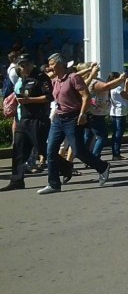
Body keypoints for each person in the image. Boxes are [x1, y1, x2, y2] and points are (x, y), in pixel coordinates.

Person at [38, 53, 111, 195]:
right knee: (50, 150)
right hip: (59, 119)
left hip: (73, 118)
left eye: (52, 64)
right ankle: (53, 184)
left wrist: (82, 114)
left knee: (78, 151)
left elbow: (86, 96)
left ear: (60, 64)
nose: (50, 67)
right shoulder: (55, 80)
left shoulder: (73, 78)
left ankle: (103, 167)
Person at [1, 55, 53, 191]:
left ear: (32, 64)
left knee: (43, 149)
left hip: (37, 119)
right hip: (23, 119)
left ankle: (65, 168)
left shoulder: (41, 77)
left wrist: (29, 100)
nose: (23, 67)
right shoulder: (23, 78)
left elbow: (48, 97)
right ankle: (17, 180)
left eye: (25, 64)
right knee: (18, 151)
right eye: (21, 65)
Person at [108, 71, 128, 160]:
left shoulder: (110, 88)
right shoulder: (118, 88)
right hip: (120, 112)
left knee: (116, 133)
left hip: (113, 112)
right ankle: (116, 153)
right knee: (118, 133)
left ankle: (115, 152)